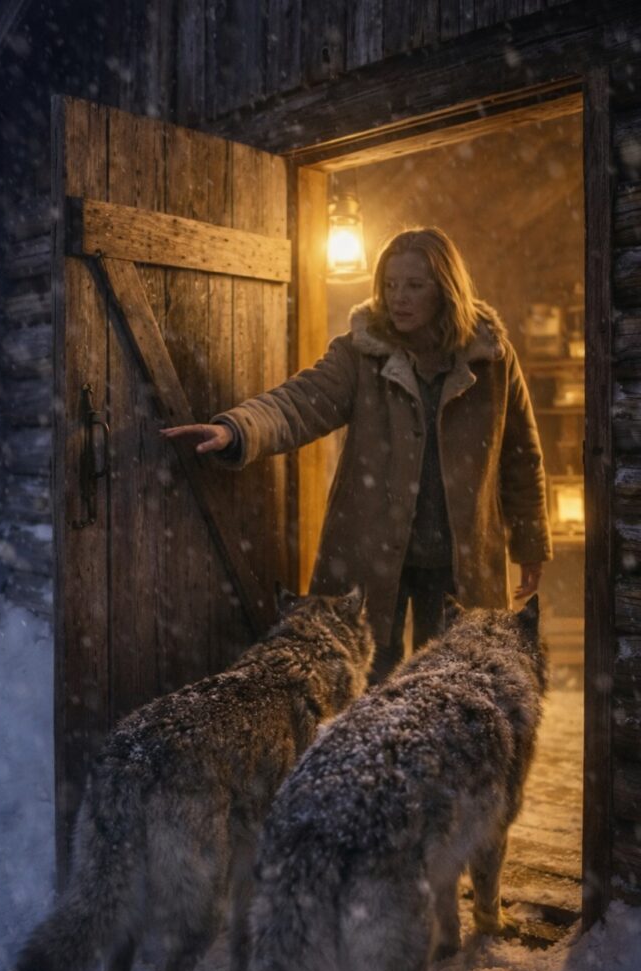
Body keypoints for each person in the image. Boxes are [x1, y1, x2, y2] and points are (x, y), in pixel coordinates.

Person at [162, 226, 552, 680]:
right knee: (363, 682)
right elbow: (300, 401)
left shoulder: (493, 359)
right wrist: (237, 428)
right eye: (390, 284)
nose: (398, 298)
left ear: (446, 290)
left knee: (451, 682)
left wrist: (530, 545)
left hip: (460, 557)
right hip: (373, 552)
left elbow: (522, 457)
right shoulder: (361, 354)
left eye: (414, 285)